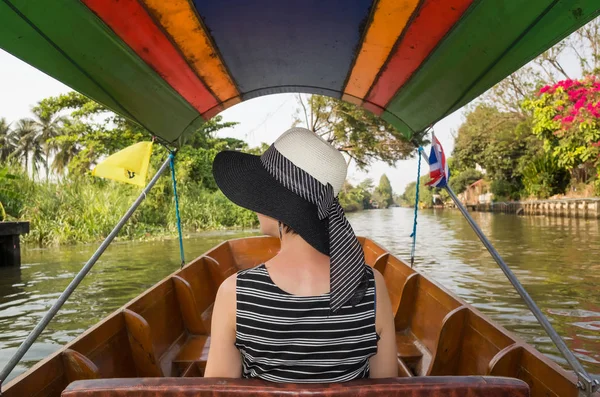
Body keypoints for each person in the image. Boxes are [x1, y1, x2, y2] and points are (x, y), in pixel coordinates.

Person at [205, 127, 397, 382]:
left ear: (276, 204)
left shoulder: (236, 293)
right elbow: (385, 385)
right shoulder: (371, 286)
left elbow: (218, 389)